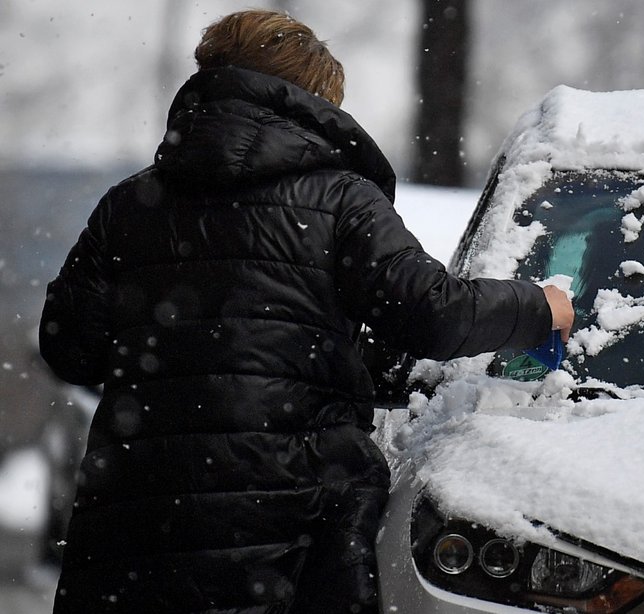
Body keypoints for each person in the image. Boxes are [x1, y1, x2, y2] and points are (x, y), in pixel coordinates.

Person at [39, 10, 573, 614]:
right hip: (282, 520)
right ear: (310, 100)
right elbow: (434, 314)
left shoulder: (128, 205)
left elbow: (69, 348)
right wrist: (538, 304)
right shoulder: (337, 198)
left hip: (135, 524)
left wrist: (173, 365)